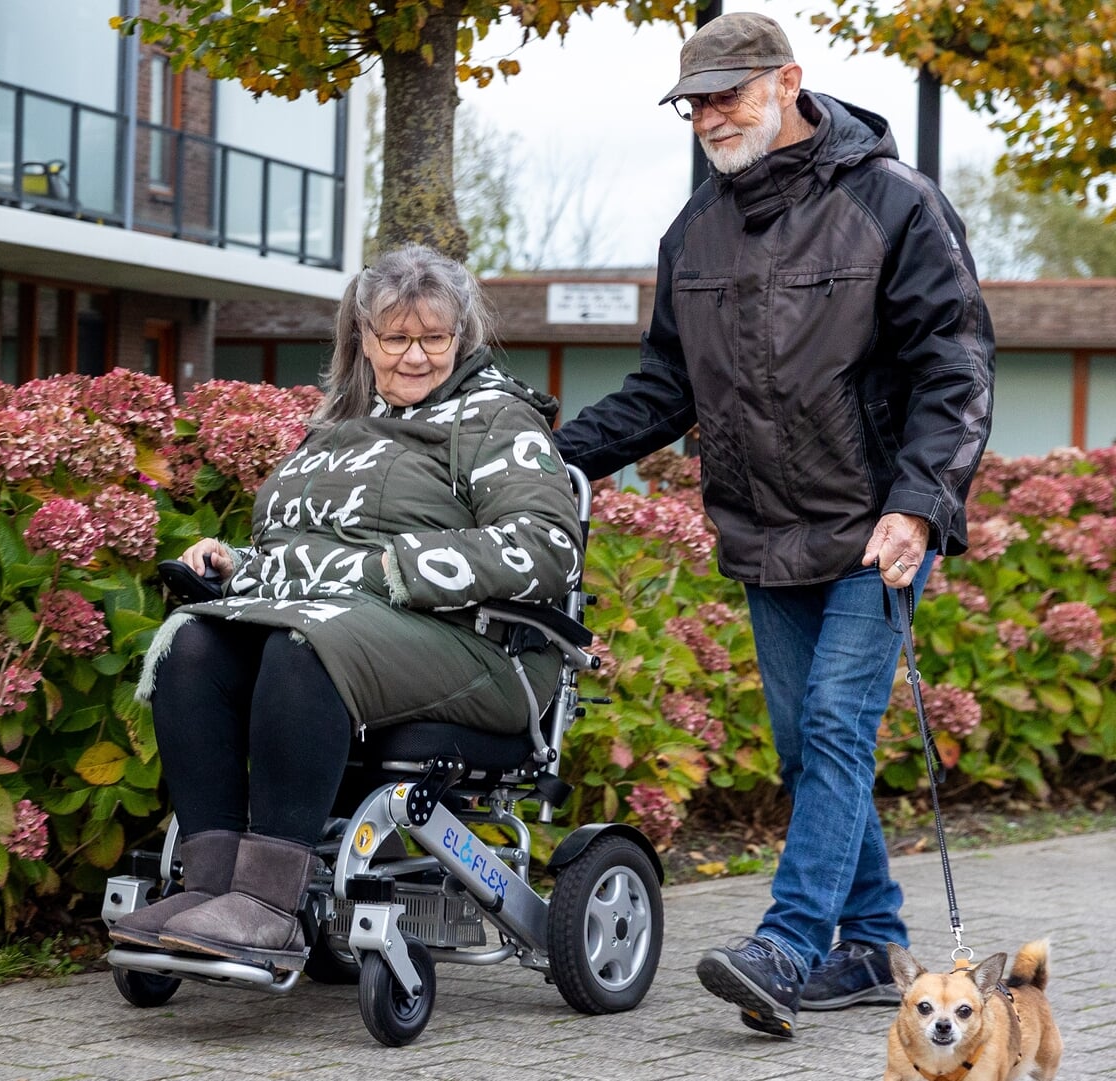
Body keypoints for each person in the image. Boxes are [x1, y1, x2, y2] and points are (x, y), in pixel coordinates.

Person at [552, 12, 995, 1039]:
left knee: (836, 726)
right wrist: (550, 454)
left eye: (729, 96)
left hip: (875, 530)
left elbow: (956, 365)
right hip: (764, 533)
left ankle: (787, 946)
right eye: (695, 103)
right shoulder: (694, 232)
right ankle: (873, 945)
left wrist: (920, 504)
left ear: (788, 82)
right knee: (804, 748)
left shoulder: (894, 203)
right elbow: (668, 386)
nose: (711, 117)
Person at [110, 244, 584, 970]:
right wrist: (240, 565)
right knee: (191, 644)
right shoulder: (339, 423)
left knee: (306, 641)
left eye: (435, 337)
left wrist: (400, 568)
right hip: (349, 626)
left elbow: (546, 546)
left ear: (462, 336)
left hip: (479, 647)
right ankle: (208, 887)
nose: (416, 355)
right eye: (396, 337)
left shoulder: (497, 420)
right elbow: (314, 552)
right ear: (363, 337)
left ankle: (269, 905)